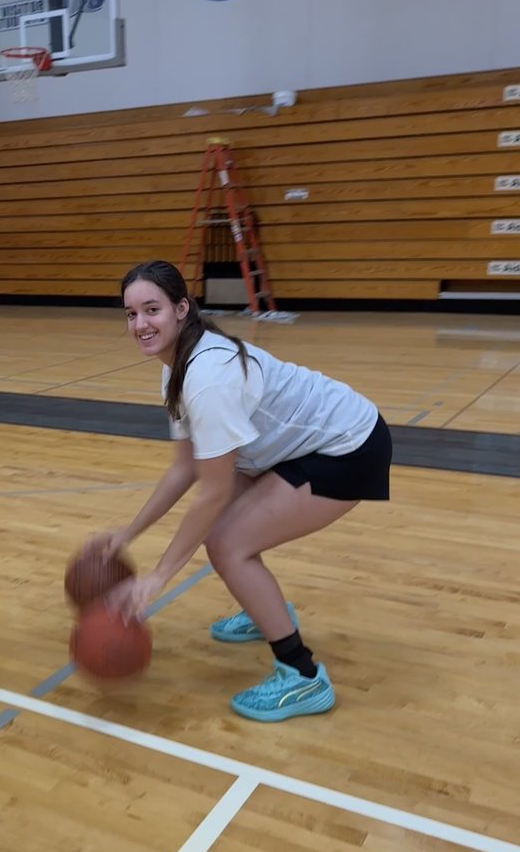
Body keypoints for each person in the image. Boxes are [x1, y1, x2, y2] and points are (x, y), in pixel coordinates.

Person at [91, 260, 392, 722]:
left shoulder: (208, 376)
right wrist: (127, 534)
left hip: (348, 448)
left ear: (181, 309)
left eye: (152, 309)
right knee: (234, 528)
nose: (141, 324)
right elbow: (184, 469)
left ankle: (302, 677)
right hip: (296, 447)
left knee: (228, 544)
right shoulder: (176, 367)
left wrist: (158, 576)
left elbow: (210, 494)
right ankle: (265, 608)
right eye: (131, 314)